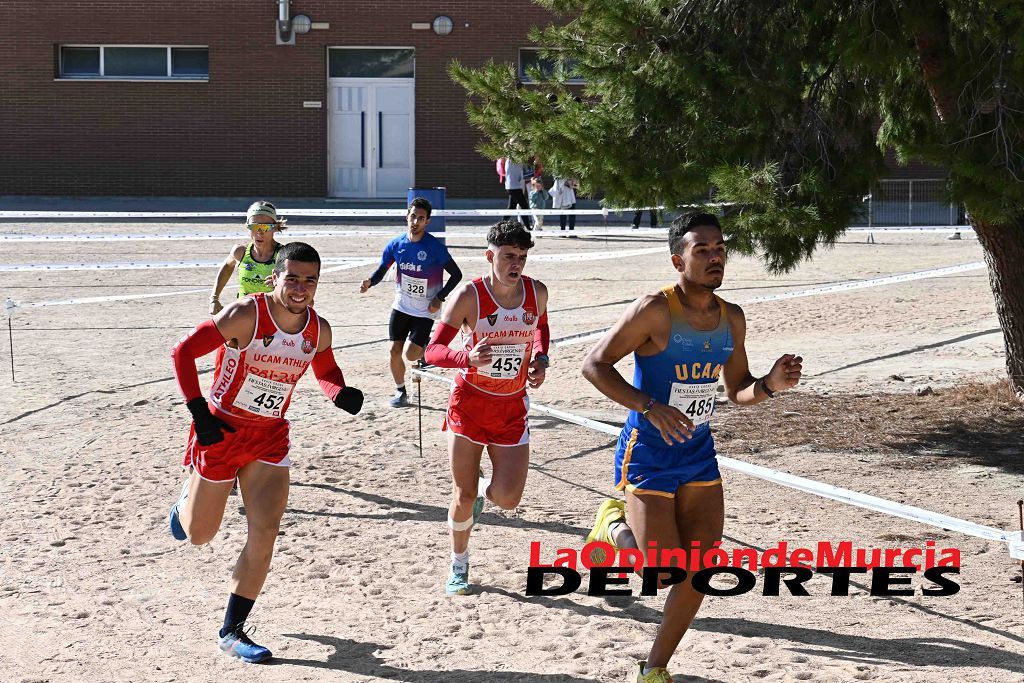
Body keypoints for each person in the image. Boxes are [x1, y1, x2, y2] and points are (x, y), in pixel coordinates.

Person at [581, 212, 802, 683]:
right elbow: (595, 365)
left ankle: (654, 668)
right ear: (677, 259)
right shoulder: (654, 310)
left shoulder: (731, 318)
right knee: (660, 572)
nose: (714, 256)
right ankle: (612, 526)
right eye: (701, 249)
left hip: (699, 453)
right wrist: (649, 406)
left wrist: (769, 384)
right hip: (649, 453)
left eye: (719, 248)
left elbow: (737, 387)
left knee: (698, 570)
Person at [169, 241, 364, 664]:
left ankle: (232, 631)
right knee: (200, 535)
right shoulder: (246, 315)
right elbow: (182, 352)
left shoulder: (318, 329)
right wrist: (200, 413)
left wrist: (339, 392)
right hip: (220, 431)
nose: (300, 288)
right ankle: (186, 500)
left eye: (309, 280)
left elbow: (325, 368)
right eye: (292, 277)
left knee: (266, 530)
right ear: (275, 276)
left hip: (270, 438)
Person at [424, 219, 550, 596]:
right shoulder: (469, 296)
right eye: (509, 256)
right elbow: (432, 351)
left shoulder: (536, 292)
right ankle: (458, 565)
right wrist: (466, 357)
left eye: (522, 257)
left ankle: (483, 491)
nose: (516, 264)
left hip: (511, 407)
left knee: (509, 499)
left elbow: (541, 328)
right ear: (489, 255)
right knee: (460, 495)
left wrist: (540, 358)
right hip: (470, 405)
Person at [360, 197, 463, 407]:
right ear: (407, 216)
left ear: (427, 222)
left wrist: (439, 297)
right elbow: (382, 269)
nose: (415, 221)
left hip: (426, 309)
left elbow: (456, 275)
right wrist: (370, 281)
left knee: (410, 354)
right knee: (393, 350)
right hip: (402, 305)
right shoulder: (396, 245)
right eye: (413, 216)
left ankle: (425, 347)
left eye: (421, 218)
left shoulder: (434, 247)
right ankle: (401, 392)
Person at [209, 201, 286, 315]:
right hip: (244, 315)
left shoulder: (285, 255)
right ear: (247, 227)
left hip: (273, 318)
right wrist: (214, 298)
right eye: (254, 226)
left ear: (275, 227)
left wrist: (281, 284)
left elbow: (304, 289)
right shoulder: (240, 252)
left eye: (265, 227)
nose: (259, 233)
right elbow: (227, 266)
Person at [502, 157, 533, 229]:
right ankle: (528, 227)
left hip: (513, 186)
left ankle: (502, 223)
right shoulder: (512, 159)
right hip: (514, 186)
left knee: (512, 207)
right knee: (524, 206)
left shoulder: (514, 160)